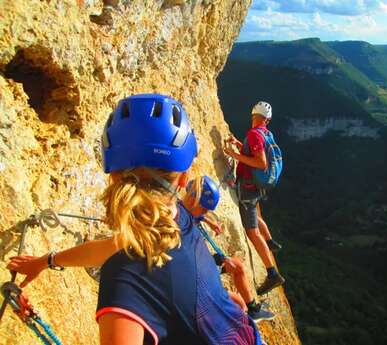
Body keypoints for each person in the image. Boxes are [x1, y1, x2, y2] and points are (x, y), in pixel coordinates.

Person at [8, 94, 263, 345]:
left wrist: (46, 261)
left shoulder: (124, 283)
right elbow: (117, 248)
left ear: (113, 176)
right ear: (183, 180)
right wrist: (48, 261)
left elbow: (122, 253)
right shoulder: (178, 219)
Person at [182, 176, 275, 323]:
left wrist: (210, 222)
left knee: (238, 266)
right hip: (194, 280)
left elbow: (196, 216)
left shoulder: (184, 209)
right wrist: (215, 260)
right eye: (204, 209)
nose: (205, 213)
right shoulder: (183, 227)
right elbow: (187, 261)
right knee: (239, 302)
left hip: (199, 269)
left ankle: (254, 309)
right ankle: (244, 323)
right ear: (194, 201)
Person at [223, 101, 284, 296]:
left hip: (248, 187)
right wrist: (239, 145)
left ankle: (272, 273)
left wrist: (234, 154)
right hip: (256, 187)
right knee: (253, 212)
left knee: (252, 231)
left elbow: (261, 162)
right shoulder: (266, 134)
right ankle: (271, 242)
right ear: (267, 119)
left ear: (253, 116)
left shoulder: (254, 133)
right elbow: (254, 152)